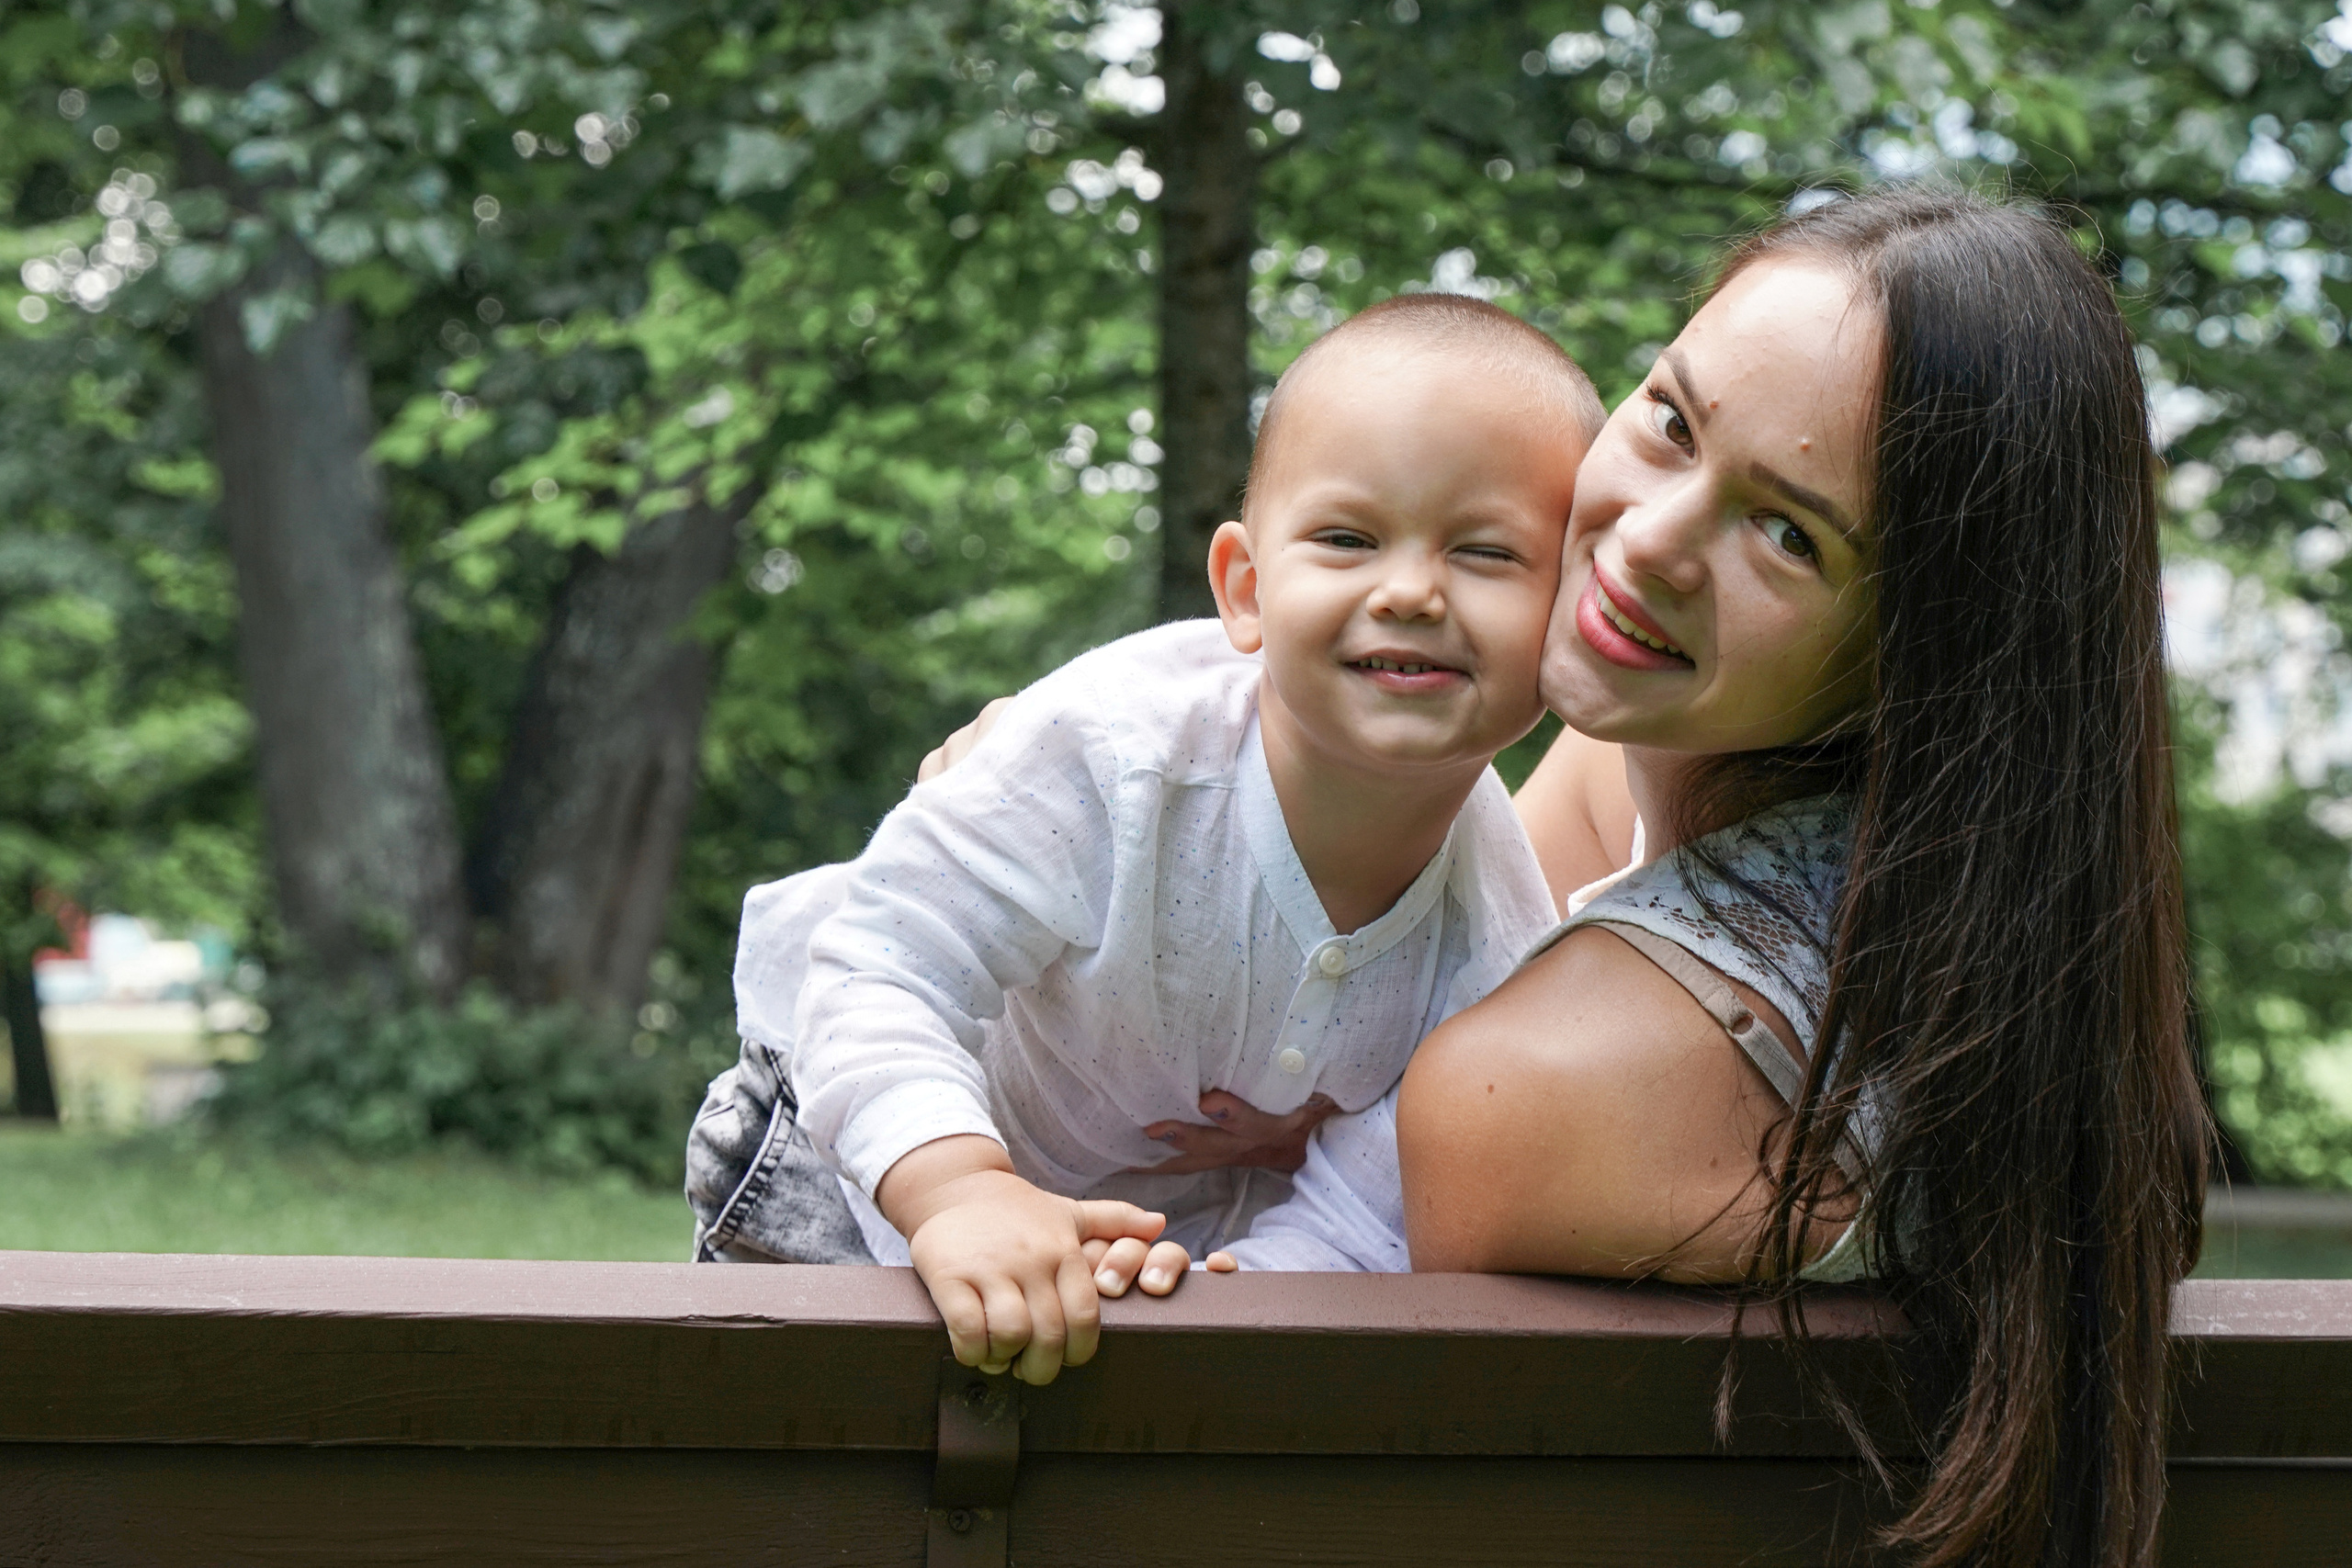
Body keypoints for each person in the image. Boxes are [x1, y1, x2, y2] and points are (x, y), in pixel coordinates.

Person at [920, 187, 2209, 1568]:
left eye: (1788, 534)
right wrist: (1093, 772)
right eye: (1672, 423)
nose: (1647, 539)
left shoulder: (1534, 1085)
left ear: (1925, 646)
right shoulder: (1976, 935)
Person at [687, 292, 1605, 1385]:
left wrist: (1234, 1308)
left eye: (1488, 553)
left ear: (1568, 619)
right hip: (859, 1153)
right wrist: (962, 1190)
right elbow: (886, 964)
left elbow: (1370, 1206)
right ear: (1245, 590)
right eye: (1346, 539)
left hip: (1161, 1254)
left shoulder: (1496, 934)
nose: (1409, 590)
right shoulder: (1115, 754)